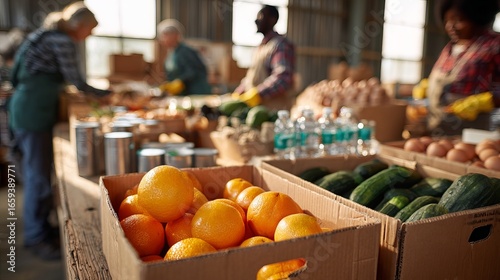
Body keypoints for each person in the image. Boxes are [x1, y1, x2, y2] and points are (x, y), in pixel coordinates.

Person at [8, 2, 111, 260]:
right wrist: (107, 94)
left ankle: (42, 227)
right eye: (90, 30)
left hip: (27, 106)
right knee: (37, 175)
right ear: (79, 25)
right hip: (34, 111)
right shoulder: (62, 41)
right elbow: (77, 81)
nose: (90, 35)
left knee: (38, 172)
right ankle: (35, 237)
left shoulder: (44, 35)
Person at [426, 0, 500, 136]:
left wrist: (485, 101)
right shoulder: (449, 48)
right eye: (447, 20)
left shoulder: (494, 45)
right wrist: (429, 87)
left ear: (477, 18)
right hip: (440, 130)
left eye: (458, 20)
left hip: (477, 133)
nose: (450, 26)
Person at [233, 5, 295, 110]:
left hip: (273, 112)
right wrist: (239, 91)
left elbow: (283, 78)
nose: (256, 20)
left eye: (260, 16)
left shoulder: (280, 45)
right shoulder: (260, 47)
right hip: (257, 110)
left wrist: (258, 94)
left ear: (272, 20)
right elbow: (252, 76)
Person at [157, 19, 211, 95]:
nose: (162, 39)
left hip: (195, 94)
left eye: (165, 35)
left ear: (175, 35)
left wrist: (180, 81)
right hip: (181, 95)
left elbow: (193, 71)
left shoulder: (185, 51)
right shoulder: (171, 54)